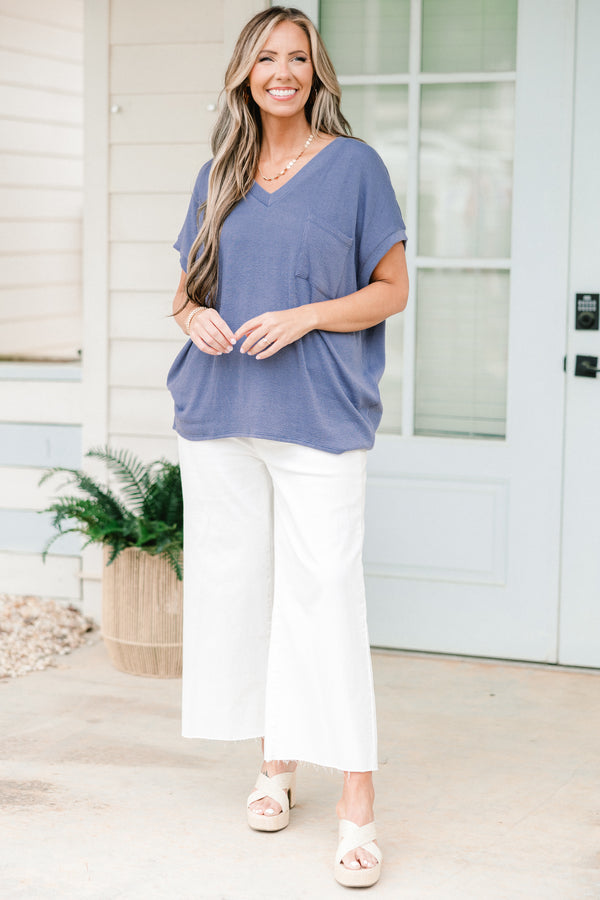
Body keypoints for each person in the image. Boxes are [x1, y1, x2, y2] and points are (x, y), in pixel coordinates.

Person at [168, 5, 408, 889]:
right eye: (266, 57)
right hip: (221, 411)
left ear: (316, 73)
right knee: (243, 594)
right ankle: (275, 765)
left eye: (298, 57)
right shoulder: (219, 173)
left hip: (318, 415)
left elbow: (392, 289)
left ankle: (357, 802)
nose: (282, 71)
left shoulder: (354, 167)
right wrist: (193, 318)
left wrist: (308, 315)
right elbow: (186, 292)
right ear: (244, 73)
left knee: (327, 599)